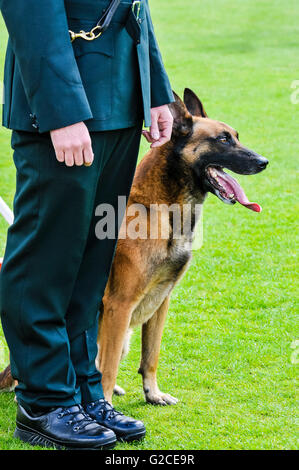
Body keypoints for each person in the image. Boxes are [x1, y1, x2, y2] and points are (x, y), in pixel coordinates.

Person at [0, 0, 174, 450]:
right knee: (47, 260)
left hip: (119, 100)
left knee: (92, 262)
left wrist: (155, 88)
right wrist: (59, 111)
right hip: (64, 106)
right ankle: (43, 400)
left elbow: (135, 7)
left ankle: (80, 388)